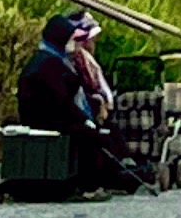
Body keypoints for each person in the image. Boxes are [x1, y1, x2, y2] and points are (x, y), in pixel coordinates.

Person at [17, 17, 136, 196]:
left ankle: (121, 174)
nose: (74, 43)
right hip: (45, 119)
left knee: (103, 131)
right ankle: (91, 185)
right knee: (91, 136)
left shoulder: (51, 59)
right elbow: (61, 101)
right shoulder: (49, 64)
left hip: (51, 116)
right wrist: (83, 119)